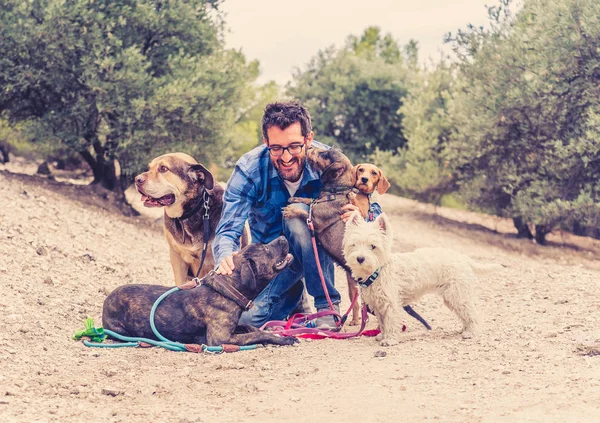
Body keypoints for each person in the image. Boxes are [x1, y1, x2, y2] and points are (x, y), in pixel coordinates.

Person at [213, 101, 361, 328]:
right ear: (266, 143)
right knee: (246, 322)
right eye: (276, 148)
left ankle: (326, 308)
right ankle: (294, 299)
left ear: (308, 139)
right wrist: (225, 255)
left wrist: (360, 213)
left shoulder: (330, 161)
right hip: (272, 263)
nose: (285, 157)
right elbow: (228, 230)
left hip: (317, 252)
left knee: (298, 218)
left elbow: (367, 196)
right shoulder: (249, 169)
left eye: (294, 146)